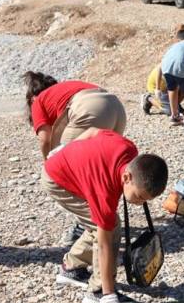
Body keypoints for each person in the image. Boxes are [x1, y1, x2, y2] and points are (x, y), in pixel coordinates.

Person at [42, 128, 168, 303]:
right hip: (57, 179)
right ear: (127, 177)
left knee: (102, 225)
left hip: (70, 166)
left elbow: (93, 131)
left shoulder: (128, 150)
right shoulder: (105, 192)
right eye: (140, 196)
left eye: (146, 200)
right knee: (109, 228)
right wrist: (108, 293)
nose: (140, 203)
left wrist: (66, 148)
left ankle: (72, 267)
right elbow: (104, 244)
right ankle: (97, 292)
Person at [24, 71, 127, 246]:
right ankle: (105, 214)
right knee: (99, 168)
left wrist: (49, 163)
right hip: (116, 108)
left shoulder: (38, 101)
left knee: (68, 172)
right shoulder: (64, 89)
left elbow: (45, 138)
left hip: (89, 110)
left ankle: (91, 226)